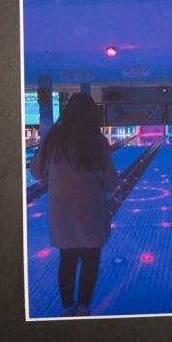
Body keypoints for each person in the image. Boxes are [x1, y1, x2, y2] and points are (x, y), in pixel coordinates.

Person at [29, 93, 118, 317]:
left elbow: (36, 171)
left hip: (62, 215)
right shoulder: (97, 141)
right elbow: (110, 182)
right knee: (90, 261)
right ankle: (83, 307)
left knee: (67, 260)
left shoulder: (53, 139)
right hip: (91, 213)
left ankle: (67, 307)